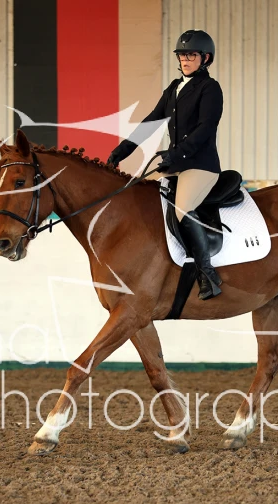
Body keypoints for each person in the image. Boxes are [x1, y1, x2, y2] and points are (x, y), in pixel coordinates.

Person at [107, 29, 224, 301]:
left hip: (200, 165)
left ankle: (208, 275)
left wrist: (177, 153)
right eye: (182, 55)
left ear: (205, 58)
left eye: (191, 55)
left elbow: (205, 129)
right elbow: (151, 120)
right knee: (141, 199)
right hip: (175, 163)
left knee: (183, 209)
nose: (185, 60)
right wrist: (123, 149)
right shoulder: (174, 88)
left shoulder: (210, 89)